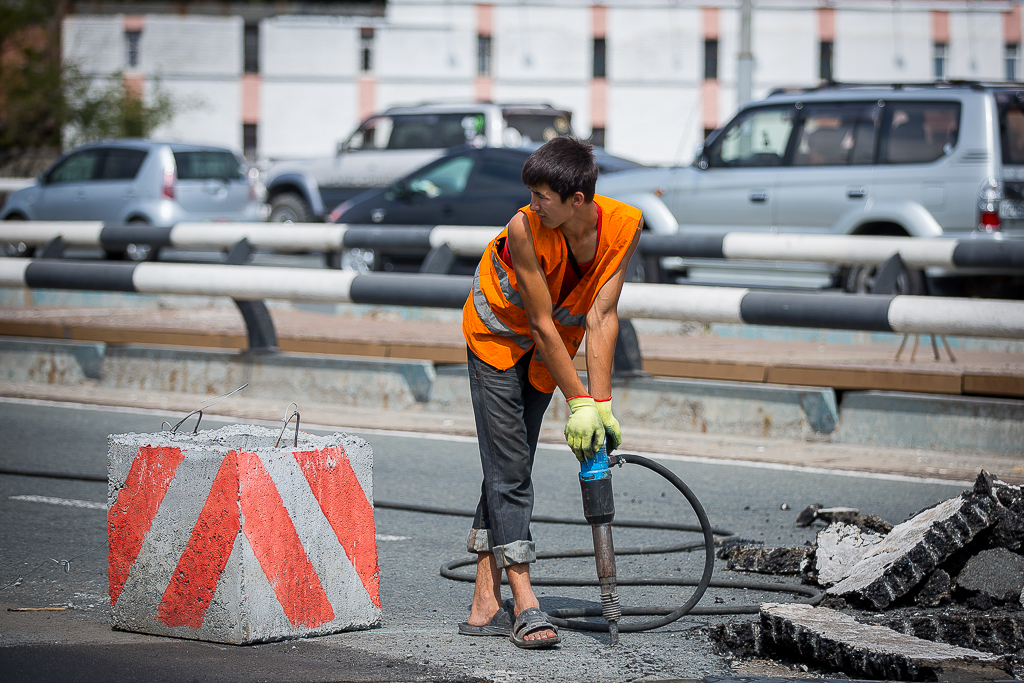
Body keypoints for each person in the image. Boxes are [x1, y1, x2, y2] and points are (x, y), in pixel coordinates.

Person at [459, 136, 642, 649]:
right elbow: (540, 322)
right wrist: (578, 399)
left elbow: (602, 316)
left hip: (545, 355)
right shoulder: (524, 228)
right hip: (496, 340)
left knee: (507, 464)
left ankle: (482, 602)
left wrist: (599, 405)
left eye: (541, 196)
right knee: (511, 467)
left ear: (577, 200)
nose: (531, 204)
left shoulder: (623, 226)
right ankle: (524, 599)